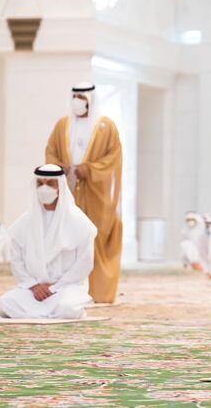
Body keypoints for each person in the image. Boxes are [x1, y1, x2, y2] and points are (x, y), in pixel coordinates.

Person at [46, 82, 123, 303]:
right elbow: (51, 151)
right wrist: (58, 168)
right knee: (66, 238)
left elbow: (113, 158)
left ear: (92, 100)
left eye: (82, 97)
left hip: (95, 194)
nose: (77, 101)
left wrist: (88, 170)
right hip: (67, 192)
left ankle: (97, 292)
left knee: (94, 237)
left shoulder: (106, 126)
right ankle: (64, 289)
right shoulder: (62, 125)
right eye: (75, 96)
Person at [0, 165, 96, 319]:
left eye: (49, 184)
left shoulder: (79, 222)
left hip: (66, 288)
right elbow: (16, 260)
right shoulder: (24, 222)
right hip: (33, 291)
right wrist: (33, 285)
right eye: (40, 184)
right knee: (4, 303)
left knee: (67, 307)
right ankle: (48, 314)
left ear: (60, 187)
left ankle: (43, 313)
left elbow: (84, 264)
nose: (44, 188)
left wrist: (56, 287)